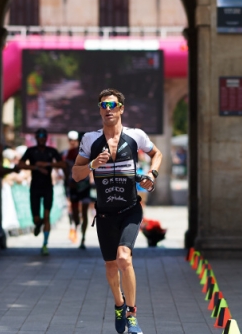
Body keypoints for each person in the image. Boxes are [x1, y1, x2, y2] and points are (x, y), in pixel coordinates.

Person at [72, 89, 162, 334]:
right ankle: (119, 304)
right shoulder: (90, 140)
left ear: (121, 108)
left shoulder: (135, 136)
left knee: (124, 258)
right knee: (111, 266)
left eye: (112, 104)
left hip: (130, 209)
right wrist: (92, 165)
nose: (108, 109)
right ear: (99, 109)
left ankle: (132, 315)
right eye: (103, 105)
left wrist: (152, 175)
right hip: (104, 214)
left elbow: (157, 154)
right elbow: (76, 174)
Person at [18, 128, 66, 255]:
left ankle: (45, 244)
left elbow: (63, 164)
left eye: (43, 136)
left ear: (46, 138)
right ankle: (37, 224)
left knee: (46, 216)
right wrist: (35, 167)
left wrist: (48, 165)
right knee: (36, 218)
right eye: (39, 136)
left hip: (47, 187)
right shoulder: (31, 151)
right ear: (36, 138)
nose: (41, 138)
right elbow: (20, 164)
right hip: (34, 187)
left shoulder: (52, 151)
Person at [64, 130, 94, 249]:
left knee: (85, 212)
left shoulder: (91, 153)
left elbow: (94, 168)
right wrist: (68, 180)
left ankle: (83, 238)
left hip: (85, 186)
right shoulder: (72, 152)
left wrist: (91, 179)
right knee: (75, 213)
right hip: (74, 186)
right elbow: (67, 168)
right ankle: (76, 223)